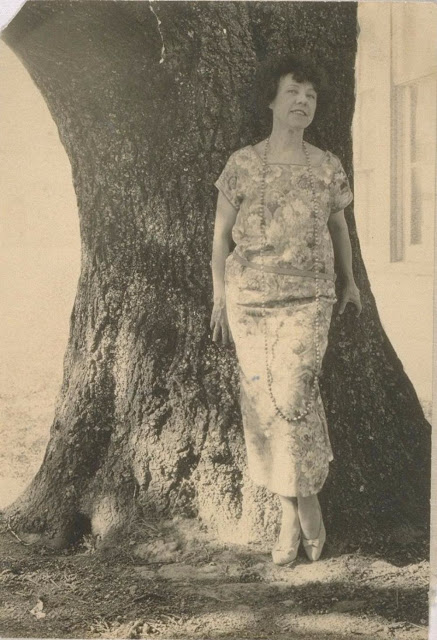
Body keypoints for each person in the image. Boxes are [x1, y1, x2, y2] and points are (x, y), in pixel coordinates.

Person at [210, 53, 362, 566]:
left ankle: (307, 499)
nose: (303, 101)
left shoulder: (327, 166)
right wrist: (219, 294)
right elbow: (220, 236)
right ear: (272, 101)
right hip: (250, 300)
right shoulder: (242, 164)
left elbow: (339, 227)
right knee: (261, 401)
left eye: (311, 95)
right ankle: (287, 509)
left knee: (295, 393)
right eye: (293, 92)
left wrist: (350, 280)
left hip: (309, 298)